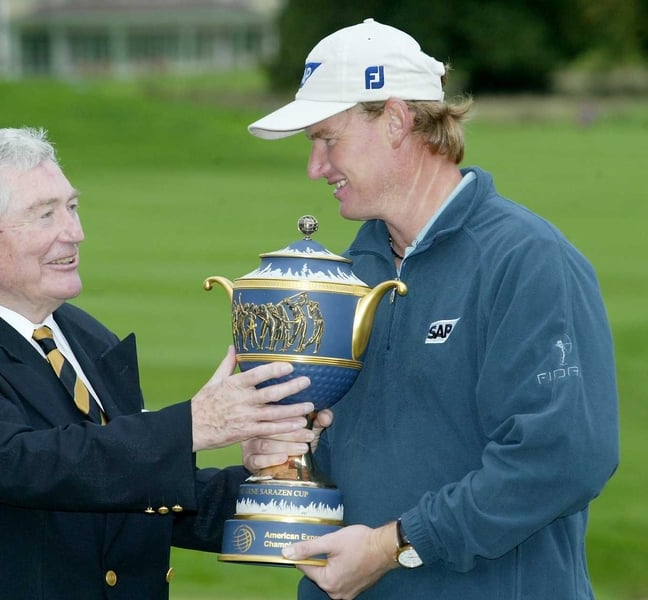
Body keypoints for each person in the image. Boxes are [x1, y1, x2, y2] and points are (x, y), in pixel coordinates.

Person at [242, 17, 619, 600]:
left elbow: (562, 459)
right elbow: (349, 457)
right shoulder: (347, 275)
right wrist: (282, 455)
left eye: (328, 139)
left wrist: (395, 544)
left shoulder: (527, 260)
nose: (315, 167)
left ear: (396, 120)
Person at [0, 127, 315, 600]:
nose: (75, 232)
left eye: (71, 207)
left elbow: (130, 487)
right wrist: (193, 426)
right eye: (44, 215)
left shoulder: (86, 336)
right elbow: (32, 465)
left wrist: (280, 481)